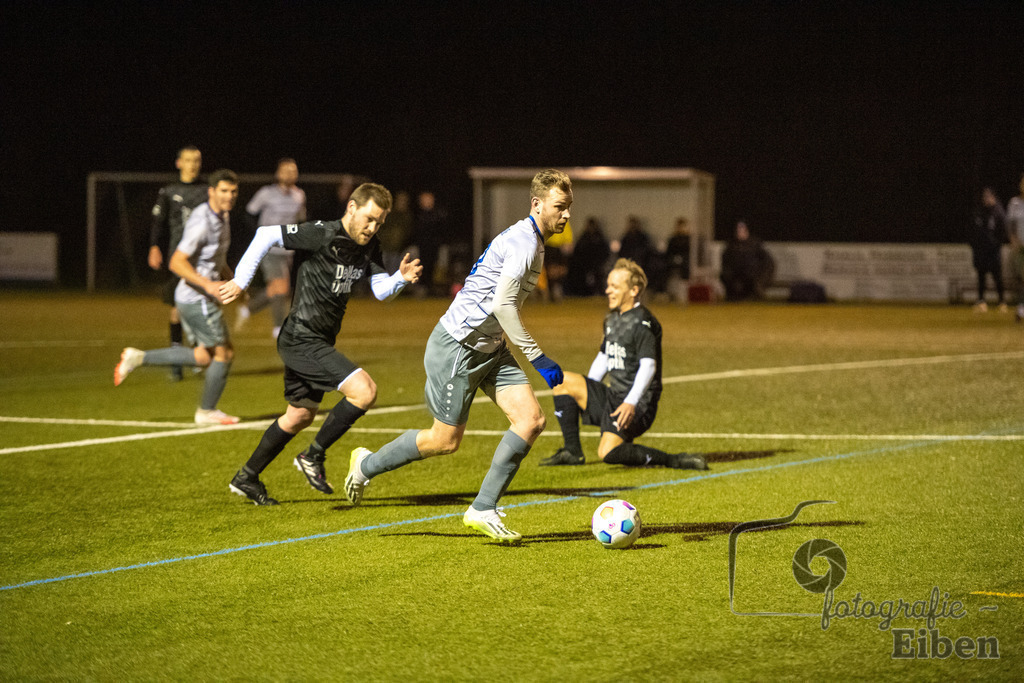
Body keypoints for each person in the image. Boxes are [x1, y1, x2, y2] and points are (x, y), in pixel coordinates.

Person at [344, 169, 573, 542]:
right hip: (458, 347)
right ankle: (365, 464)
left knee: (530, 420)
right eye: (559, 206)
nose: (566, 214)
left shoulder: (533, 240)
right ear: (537, 204)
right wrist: (538, 358)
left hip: (490, 347)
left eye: (568, 207)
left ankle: (482, 508)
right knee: (444, 441)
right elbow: (502, 305)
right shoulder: (523, 244)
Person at [218, 183, 422, 506]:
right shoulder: (321, 233)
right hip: (301, 337)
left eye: (379, 222)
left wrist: (400, 278)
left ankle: (247, 477)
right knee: (365, 391)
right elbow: (265, 235)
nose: (372, 228)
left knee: (299, 415)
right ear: (352, 208)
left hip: (318, 339)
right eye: (369, 218)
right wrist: (241, 280)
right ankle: (312, 455)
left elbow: (381, 290)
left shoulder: (369, 246)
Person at [539, 258, 708, 471]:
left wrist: (631, 402)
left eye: (615, 287)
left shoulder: (643, 322)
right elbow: (604, 357)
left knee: (607, 453)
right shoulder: (612, 319)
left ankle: (672, 459)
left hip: (637, 405)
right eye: (608, 285)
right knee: (562, 382)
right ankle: (572, 452)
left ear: (634, 291)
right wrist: (589, 390)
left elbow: (648, 366)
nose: (608, 291)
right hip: (614, 397)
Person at [116, 169, 242, 425]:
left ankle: (138, 358)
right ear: (211, 192)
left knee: (204, 356)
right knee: (225, 353)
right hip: (197, 298)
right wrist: (208, 285)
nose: (229, 196)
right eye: (223, 191)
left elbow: (216, 258)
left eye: (233, 191)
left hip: (195, 298)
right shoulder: (202, 222)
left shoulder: (223, 215)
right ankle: (206, 411)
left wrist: (234, 281)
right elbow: (176, 262)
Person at [148, 145, 207, 381]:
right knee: (177, 309)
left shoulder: (207, 190)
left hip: (202, 257)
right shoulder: (169, 191)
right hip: (178, 258)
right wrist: (154, 247)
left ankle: (198, 354)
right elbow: (158, 221)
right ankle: (177, 361)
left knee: (202, 306)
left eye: (197, 160)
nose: (193, 165)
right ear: (179, 163)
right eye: (188, 160)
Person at [237, 158, 307, 338]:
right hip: (269, 249)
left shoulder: (299, 195)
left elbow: (300, 221)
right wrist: (262, 236)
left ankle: (248, 308)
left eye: (293, 171)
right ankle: (278, 328)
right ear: (278, 173)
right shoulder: (266, 193)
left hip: (287, 249)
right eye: (286, 170)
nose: (290, 174)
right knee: (279, 287)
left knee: (280, 288)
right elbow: (249, 214)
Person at [969, 188, 1009, 313]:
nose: (986, 199)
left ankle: (1002, 302)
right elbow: (973, 229)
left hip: (994, 250)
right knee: (981, 276)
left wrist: (997, 243)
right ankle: (981, 301)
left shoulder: (998, 211)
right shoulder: (979, 211)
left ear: (993, 197)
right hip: (981, 250)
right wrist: (975, 244)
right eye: (984, 197)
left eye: (988, 196)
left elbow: (1003, 229)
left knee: (997, 276)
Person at [720, 220, 774, 301]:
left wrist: (761, 278)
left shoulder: (755, 245)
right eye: (738, 230)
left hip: (753, 277)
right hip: (736, 277)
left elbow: (768, 262)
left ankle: (755, 293)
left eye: (743, 230)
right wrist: (729, 276)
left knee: (754, 286)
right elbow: (725, 264)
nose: (740, 232)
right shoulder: (730, 246)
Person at [410, 190, 448, 296]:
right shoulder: (416, 215)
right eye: (424, 199)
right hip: (421, 246)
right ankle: (421, 287)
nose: (427, 202)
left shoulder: (439, 214)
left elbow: (443, 231)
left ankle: (434, 288)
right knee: (421, 267)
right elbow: (414, 232)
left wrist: (439, 242)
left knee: (435, 267)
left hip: (435, 246)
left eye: (429, 199)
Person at [566, 217, 610, 296]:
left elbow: (605, 251)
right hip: (584, 265)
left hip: (597, 265)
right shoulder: (583, 238)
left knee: (598, 279)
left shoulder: (599, 238)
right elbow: (578, 252)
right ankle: (584, 293)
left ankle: (599, 293)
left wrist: (601, 262)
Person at [1007, 174, 1024, 322]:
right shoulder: (1015, 203)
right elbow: (1010, 225)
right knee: (1021, 278)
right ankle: (1021, 308)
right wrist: (1013, 241)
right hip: (1020, 247)